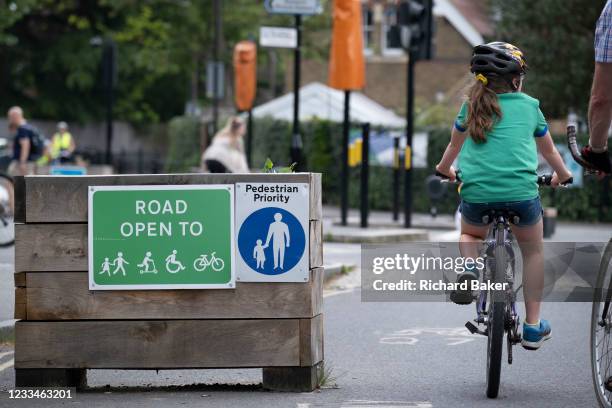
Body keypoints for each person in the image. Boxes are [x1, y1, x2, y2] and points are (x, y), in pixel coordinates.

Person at [435, 42, 573, 351]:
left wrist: (444, 169)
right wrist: (562, 177)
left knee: (470, 233)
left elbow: (453, 148)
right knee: (533, 253)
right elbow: (548, 150)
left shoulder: (468, 106)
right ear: (515, 80)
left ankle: (470, 268)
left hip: (477, 193)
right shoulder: (529, 105)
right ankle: (533, 326)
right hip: (521, 195)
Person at [7, 106, 42, 176]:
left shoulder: (22, 129)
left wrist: (22, 162)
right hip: (31, 161)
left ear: (15, 116)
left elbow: (25, 145)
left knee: (11, 181)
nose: (10, 119)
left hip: (23, 163)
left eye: (10, 117)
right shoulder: (28, 127)